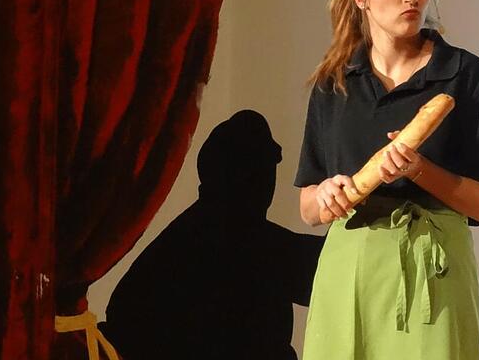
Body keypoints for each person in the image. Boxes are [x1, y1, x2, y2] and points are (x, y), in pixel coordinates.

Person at [294, 0, 479, 359]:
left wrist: (419, 170)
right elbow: (307, 207)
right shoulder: (333, 84)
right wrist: (326, 194)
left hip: (435, 273)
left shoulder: (466, 76)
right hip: (350, 270)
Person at [102, 110, 324, 359]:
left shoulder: (184, 233)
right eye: (263, 169)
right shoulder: (250, 241)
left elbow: (121, 312)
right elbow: (329, 272)